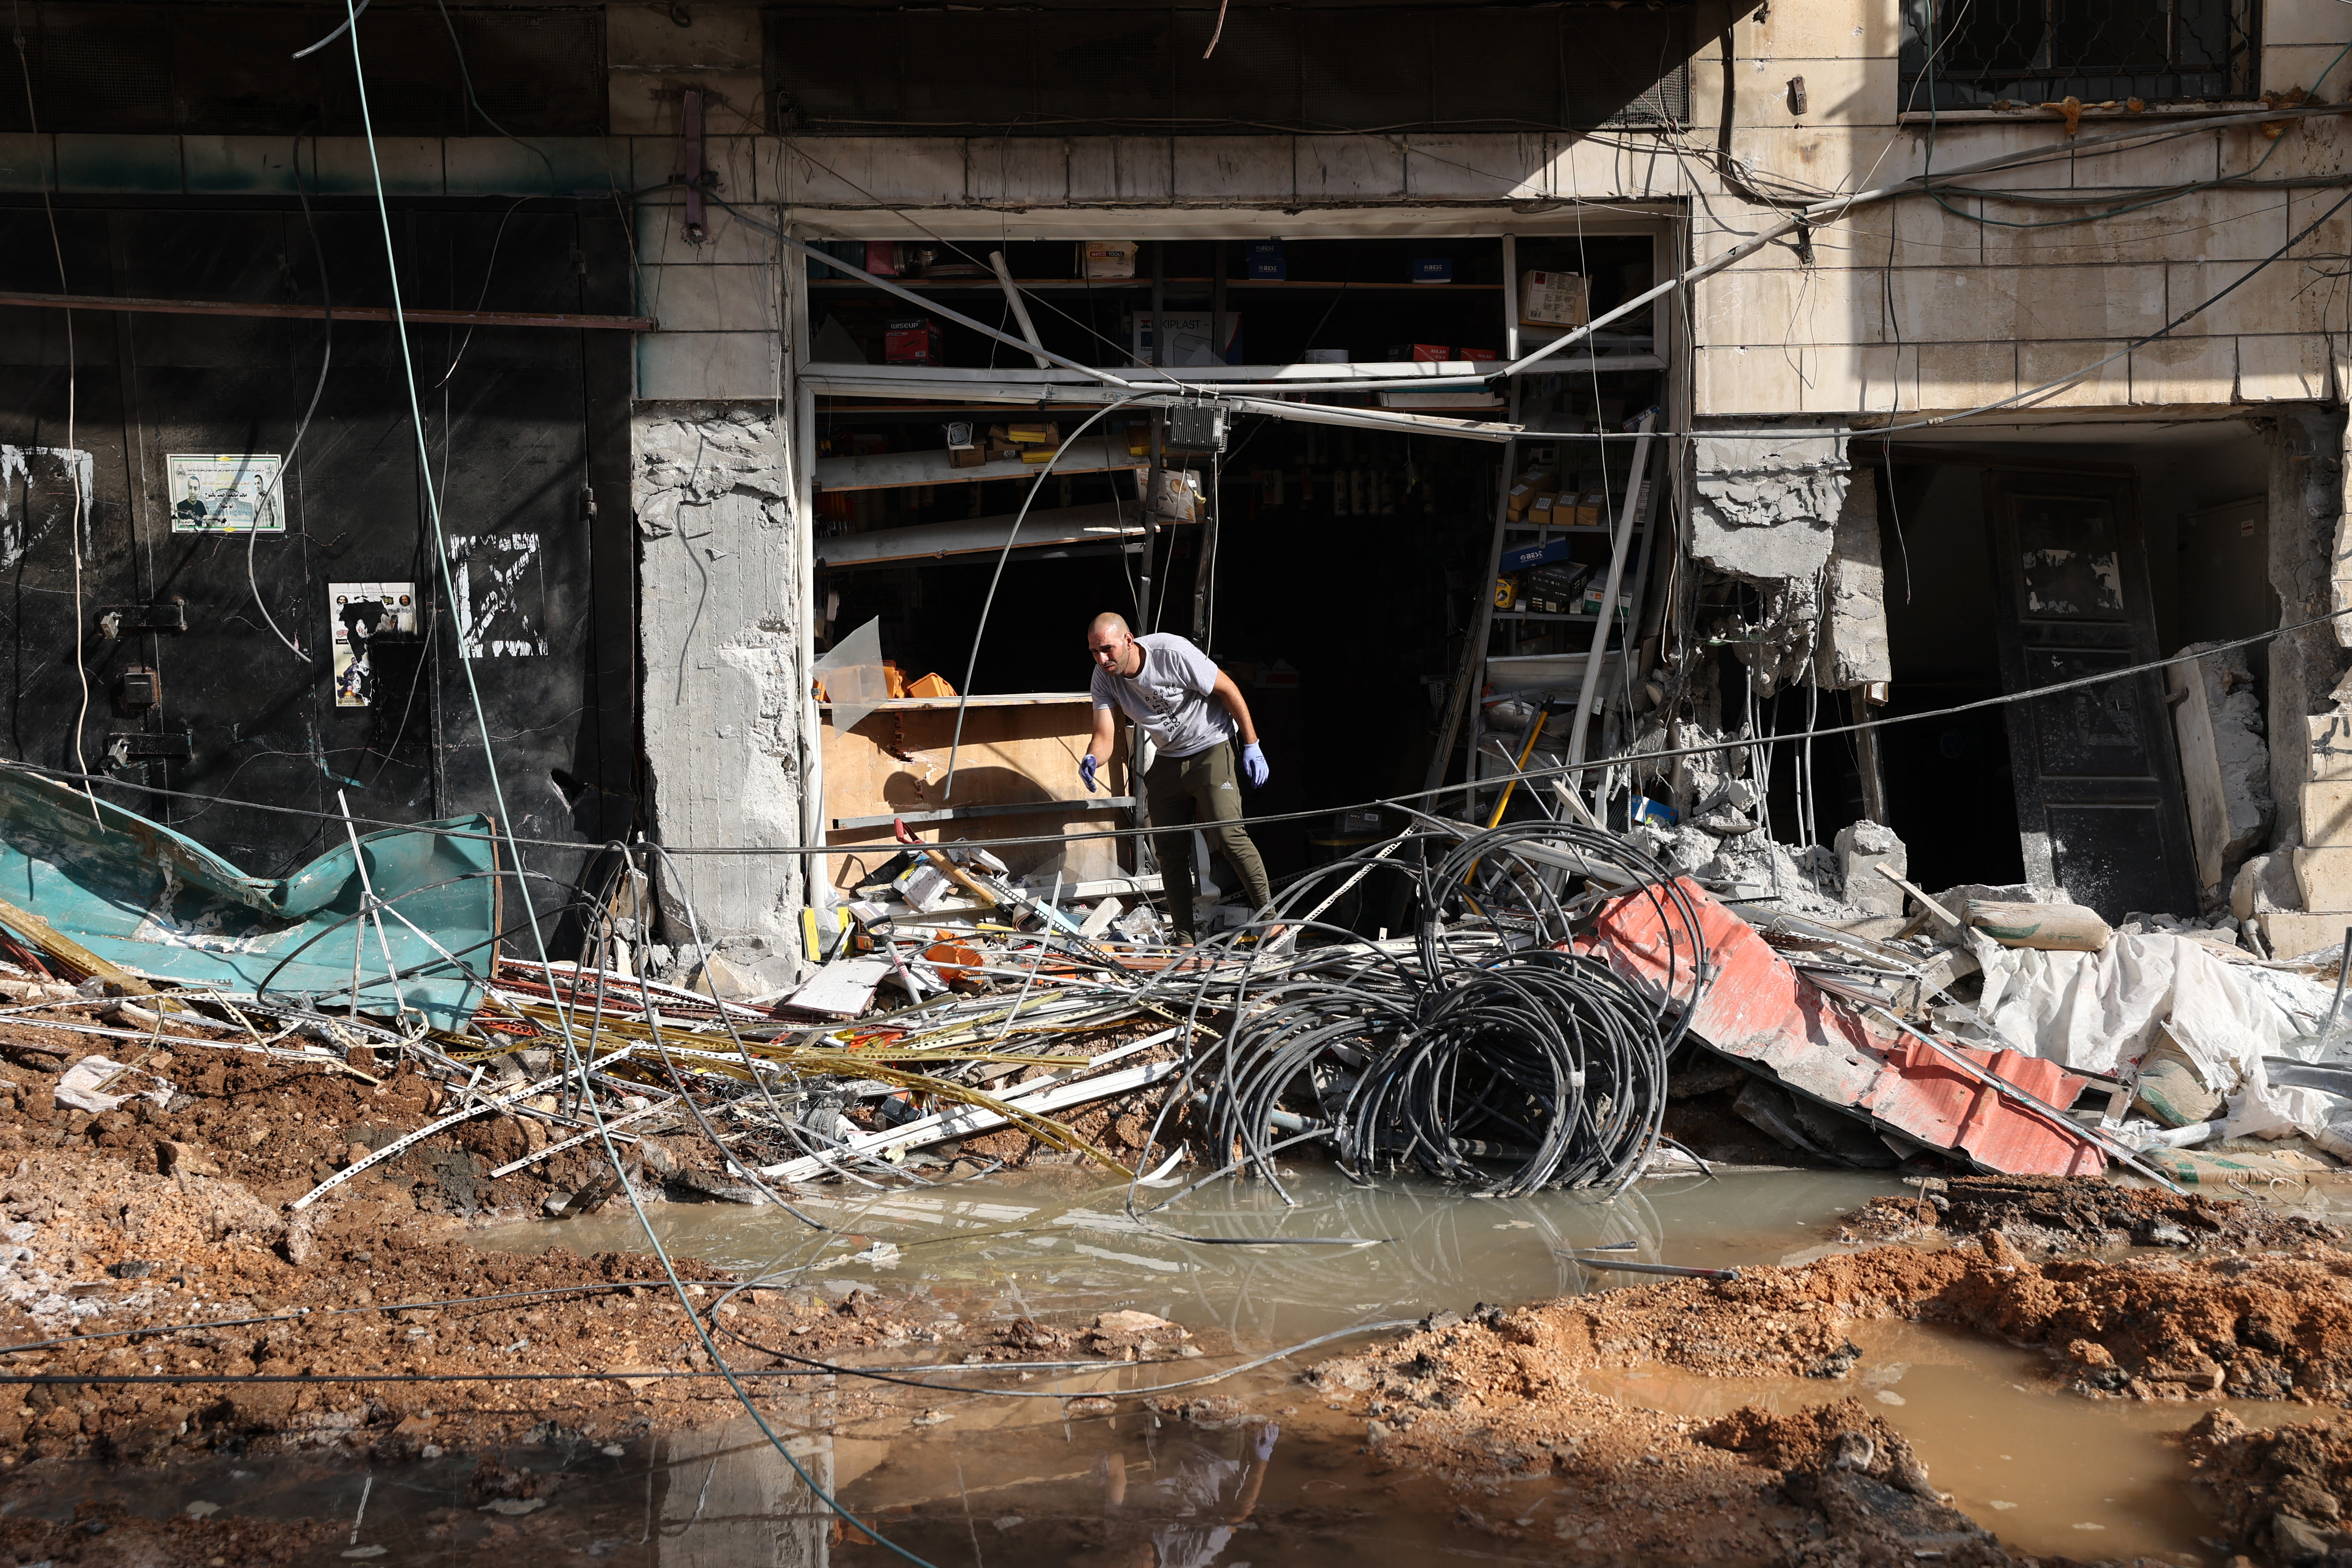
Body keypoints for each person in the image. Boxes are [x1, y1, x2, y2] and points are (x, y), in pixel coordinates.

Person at [1081, 612, 1277, 944]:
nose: (1102, 659)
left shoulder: (1171, 653)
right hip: (1170, 757)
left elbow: (1228, 689)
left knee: (1229, 836)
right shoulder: (1104, 679)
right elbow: (1104, 734)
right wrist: (1092, 758)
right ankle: (1185, 937)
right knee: (1170, 852)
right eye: (1094, 652)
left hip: (1211, 745)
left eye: (1108, 650)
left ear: (1129, 641)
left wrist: (1251, 743)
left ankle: (1272, 920)